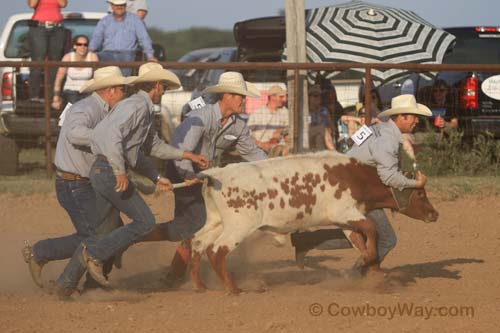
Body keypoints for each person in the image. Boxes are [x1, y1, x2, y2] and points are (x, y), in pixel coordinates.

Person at [77, 63, 208, 286]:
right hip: (108, 170)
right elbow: (112, 135)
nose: (164, 90)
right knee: (144, 221)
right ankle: (95, 255)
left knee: (103, 229)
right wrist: (119, 171)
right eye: (164, 86)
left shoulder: (141, 107)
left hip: (103, 169)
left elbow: (152, 146)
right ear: (156, 85)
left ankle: (68, 281)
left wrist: (186, 155)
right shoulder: (137, 106)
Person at [133, 72, 268, 283]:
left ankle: (170, 269)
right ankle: (136, 239)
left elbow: (254, 154)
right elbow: (179, 149)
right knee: (196, 224)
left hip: (204, 176)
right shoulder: (200, 117)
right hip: (182, 170)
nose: (244, 100)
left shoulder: (238, 125)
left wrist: (274, 170)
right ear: (227, 96)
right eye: (241, 96)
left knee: (196, 225)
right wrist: (188, 175)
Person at [22, 66, 133, 296]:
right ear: (110, 90)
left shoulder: (102, 110)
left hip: (86, 182)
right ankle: (46, 257)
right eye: (122, 90)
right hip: (74, 184)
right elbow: (74, 134)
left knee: (109, 232)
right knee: (98, 236)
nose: (124, 95)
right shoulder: (85, 109)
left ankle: (88, 282)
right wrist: (104, 137)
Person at [291, 94, 432, 274]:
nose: (416, 121)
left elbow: (352, 141)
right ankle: (358, 274)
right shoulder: (387, 141)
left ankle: (307, 242)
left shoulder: (375, 127)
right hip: (358, 191)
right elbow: (389, 178)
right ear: (402, 117)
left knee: (366, 232)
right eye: (413, 116)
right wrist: (416, 183)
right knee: (386, 238)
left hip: (348, 185)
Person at [90, 0, 157, 76]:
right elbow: (96, 38)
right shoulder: (104, 21)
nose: (119, 7)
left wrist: (150, 56)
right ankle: (95, 82)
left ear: (125, 6)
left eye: (122, 5)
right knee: (93, 57)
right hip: (107, 53)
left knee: (122, 78)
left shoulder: (135, 20)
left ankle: (124, 84)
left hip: (127, 53)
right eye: (116, 5)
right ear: (112, 6)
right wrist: (90, 51)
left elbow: (144, 38)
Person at [27, 0, 67, 101]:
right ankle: (34, 96)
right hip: (39, 27)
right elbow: (32, 4)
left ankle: (54, 96)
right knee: (38, 61)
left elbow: (63, 4)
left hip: (57, 28)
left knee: (55, 63)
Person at [51, 34, 98, 110]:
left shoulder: (92, 57)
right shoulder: (68, 57)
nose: (82, 47)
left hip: (87, 92)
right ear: (74, 46)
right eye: (79, 44)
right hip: (70, 91)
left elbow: (97, 78)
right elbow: (58, 79)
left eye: (85, 45)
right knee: (75, 107)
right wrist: (56, 98)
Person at [247, 85, 289, 156]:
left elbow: (289, 128)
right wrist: (261, 144)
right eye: (281, 97)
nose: (284, 99)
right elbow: (247, 133)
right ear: (272, 97)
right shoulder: (258, 112)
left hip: (276, 148)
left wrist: (280, 130)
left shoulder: (285, 112)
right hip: (258, 148)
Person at [308, 85, 335, 151]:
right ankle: (333, 151)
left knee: (319, 138)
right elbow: (306, 128)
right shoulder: (306, 112)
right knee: (322, 129)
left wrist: (329, 129)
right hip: (309, 136)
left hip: (323, 137)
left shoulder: (324, 110)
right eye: (315, 96)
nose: (317, 98)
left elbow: (331, 126)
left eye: (319, 96)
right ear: (309, 98)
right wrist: (323, 129)